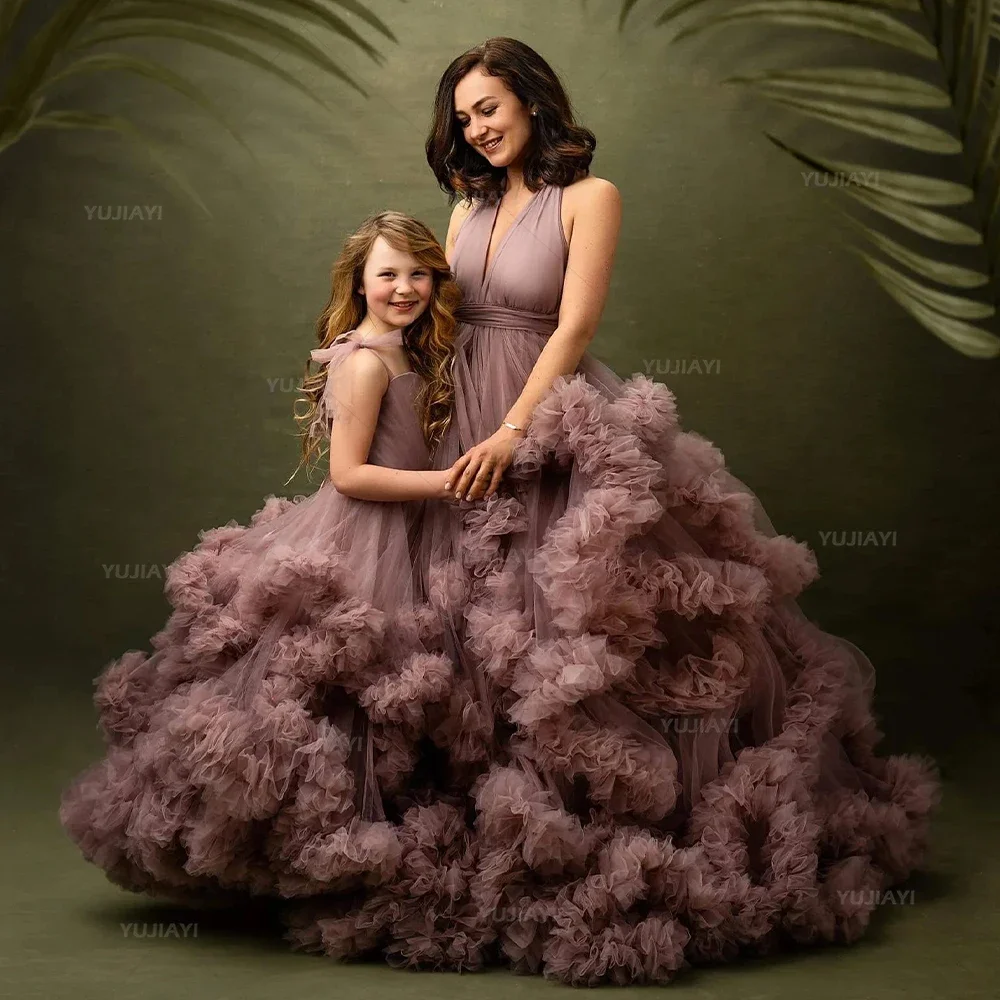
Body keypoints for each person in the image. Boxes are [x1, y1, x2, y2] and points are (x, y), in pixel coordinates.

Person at [283, 38, 941, 985]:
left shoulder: (591, 198)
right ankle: (482, 825)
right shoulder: (465, 205)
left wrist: (515, 429)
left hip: (545, 418)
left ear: (533, 100)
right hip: (459, 419)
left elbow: (577, 325)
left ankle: (604, 825)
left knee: (572, 623)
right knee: (469, 629)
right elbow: (431, 313)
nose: (476, 128)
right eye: (463, 117)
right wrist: (368, 357)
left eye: (488, 107)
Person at [59, 211, 468, 901]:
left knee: (403, 684)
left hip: (412, 528)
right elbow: (349, 474)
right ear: (359, 283)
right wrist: (448, 482)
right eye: (387, 274)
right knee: (350, 682)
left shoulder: (407, 350)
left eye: (418, 273)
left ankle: (384, 834)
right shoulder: (366, 362)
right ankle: (322, 849)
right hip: (369, 530)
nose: (404, 287)